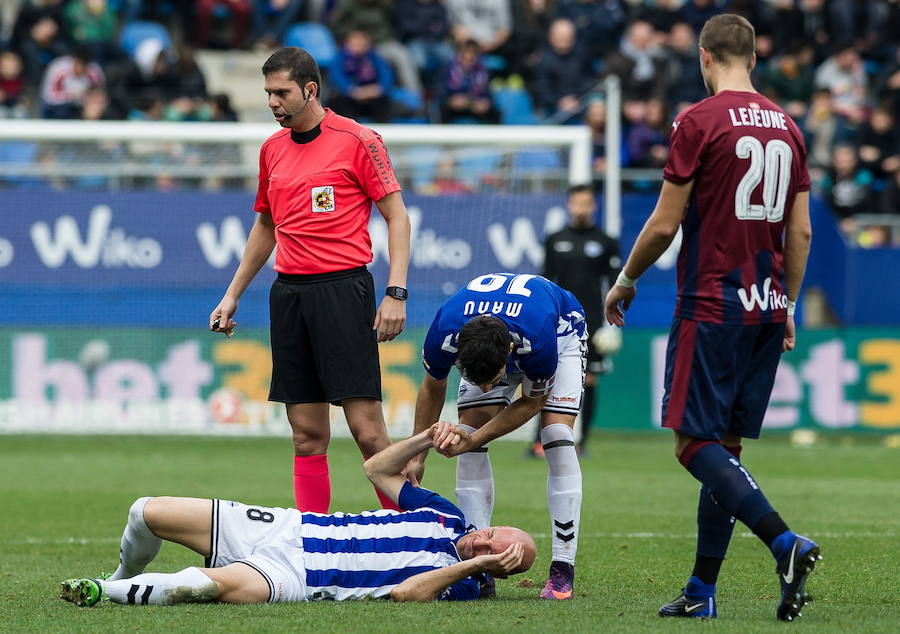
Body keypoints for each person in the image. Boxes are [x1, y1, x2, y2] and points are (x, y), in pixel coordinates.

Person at [604, 15, 819, 622]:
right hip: (767, 306)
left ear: (704, 57)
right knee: (725, 448)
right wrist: (789, 303)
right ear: (752, 58)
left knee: (691, 443)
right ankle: (702, 590)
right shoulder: (789, 127)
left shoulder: (698, 121)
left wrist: (625, 281)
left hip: (713, 302)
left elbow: (665, 224)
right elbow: (799, 231)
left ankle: (784, 542)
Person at [209, 47, 411, 515]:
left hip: (344, 291)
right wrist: (232, 294)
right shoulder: (271, 150)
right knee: (306, 435)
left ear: (310, 90)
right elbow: (266, 225)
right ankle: (311, 544)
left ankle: (411, 534)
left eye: (281, 92)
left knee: (367, 431)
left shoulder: (359, 140)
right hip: (290, 296)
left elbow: (396, 217)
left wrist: (395, 292)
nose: (272, 102)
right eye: (267, 93)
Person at [57, 425, 537, 607]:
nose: (483, 541)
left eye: (496, 552)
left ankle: (99, 592)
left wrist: (476, 567)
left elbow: (405, 594)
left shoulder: (464, 584)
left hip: (300, 576)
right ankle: (120, 572)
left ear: (500, 568)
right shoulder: (447, 516)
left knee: (201, 586)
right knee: (145, 511)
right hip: (293, 527)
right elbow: (377, 468)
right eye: (492, 533)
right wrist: (428, 437)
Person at [408, 273, 586, 601]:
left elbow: (532, 401)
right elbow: (433, 385)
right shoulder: (445, 331)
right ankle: (478, 568)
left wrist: (474, 439)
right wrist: (417, 455)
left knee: (557, 436)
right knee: (469, 431)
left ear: (509, 351)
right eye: (480, 381)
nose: (489, 389)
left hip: (561, 328)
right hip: (496, 327)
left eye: (494, 379)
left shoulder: (539, 342)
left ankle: (563, 568)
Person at [528, 184, 620, 457]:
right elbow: (545, 281)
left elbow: (614, 283)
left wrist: (611, 323)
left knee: (588, 380)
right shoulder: (555, 239)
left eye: (586, 203)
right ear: (569, 205)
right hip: (558, 321)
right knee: (547, 378)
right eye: (576, 203)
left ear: (594, 206)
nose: (581, 208)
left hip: (592, 322)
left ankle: (580, 442)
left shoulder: (606, 241)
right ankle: (538, 441)